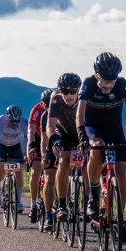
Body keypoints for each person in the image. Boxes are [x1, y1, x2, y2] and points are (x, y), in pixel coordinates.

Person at [76, 52, 126, 243]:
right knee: (97, 147)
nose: (108, 85)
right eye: (104, 81)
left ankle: (119, 217)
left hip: (115, 130)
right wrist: (81, 134)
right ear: (96, 75)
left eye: (112, 81)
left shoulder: (122, 84)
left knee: (121, 173)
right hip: (92, 129)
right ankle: (93, 196)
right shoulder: (87, 84)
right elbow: (80, 113)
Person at [42, 73, 84, 225]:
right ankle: (62, 205)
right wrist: (54, 140)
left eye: (73, 91)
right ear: (60, 91)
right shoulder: (56, 100)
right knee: (64, 160)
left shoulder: (85, 100)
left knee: (90, 160)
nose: (69, 95)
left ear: (78, 90)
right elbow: (50, 126)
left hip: (81, 133)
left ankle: (88, 201)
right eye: (64, 91)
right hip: (63, 133)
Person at [0, 105, 27, 213]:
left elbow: (28, 139)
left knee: (19, 170)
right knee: (1, 167)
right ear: (7, 117)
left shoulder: (24, 122)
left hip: (15, 146)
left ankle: (18, 201)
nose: (14, 123)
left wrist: (28, 153)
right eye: (12, 120)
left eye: (17, 120)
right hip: (1, 146)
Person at [26, 88, 53, 223]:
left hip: (53, 139)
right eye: (46, 104)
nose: (48, 106)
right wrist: (31, 147)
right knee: (35, 172)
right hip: (37, 139)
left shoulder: (57, 106)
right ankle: (33, 206)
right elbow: (30, 130)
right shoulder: (37, 110)